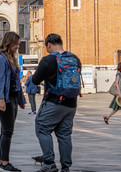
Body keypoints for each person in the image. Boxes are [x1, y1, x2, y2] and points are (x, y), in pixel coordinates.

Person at [32, 33, 82, 172]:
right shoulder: (75, 58)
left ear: (49, 44)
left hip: (53, 102)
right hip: (71, 104)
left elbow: (35, 80)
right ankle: (65, 167)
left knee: (42, 127)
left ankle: (49, 162)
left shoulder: (48, 60)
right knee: (65, 134)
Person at [0, 31, 26, 172]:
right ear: (9, 43)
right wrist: (1, 99)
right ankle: (4, 163)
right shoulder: (0, 59)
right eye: (16, 44)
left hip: (10, 97)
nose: (18, 47)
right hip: (3, 98)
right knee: (7, 131)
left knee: (5, 131)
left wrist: (20, 100)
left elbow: (15, 81)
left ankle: (1, 161)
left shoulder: (10, 58)